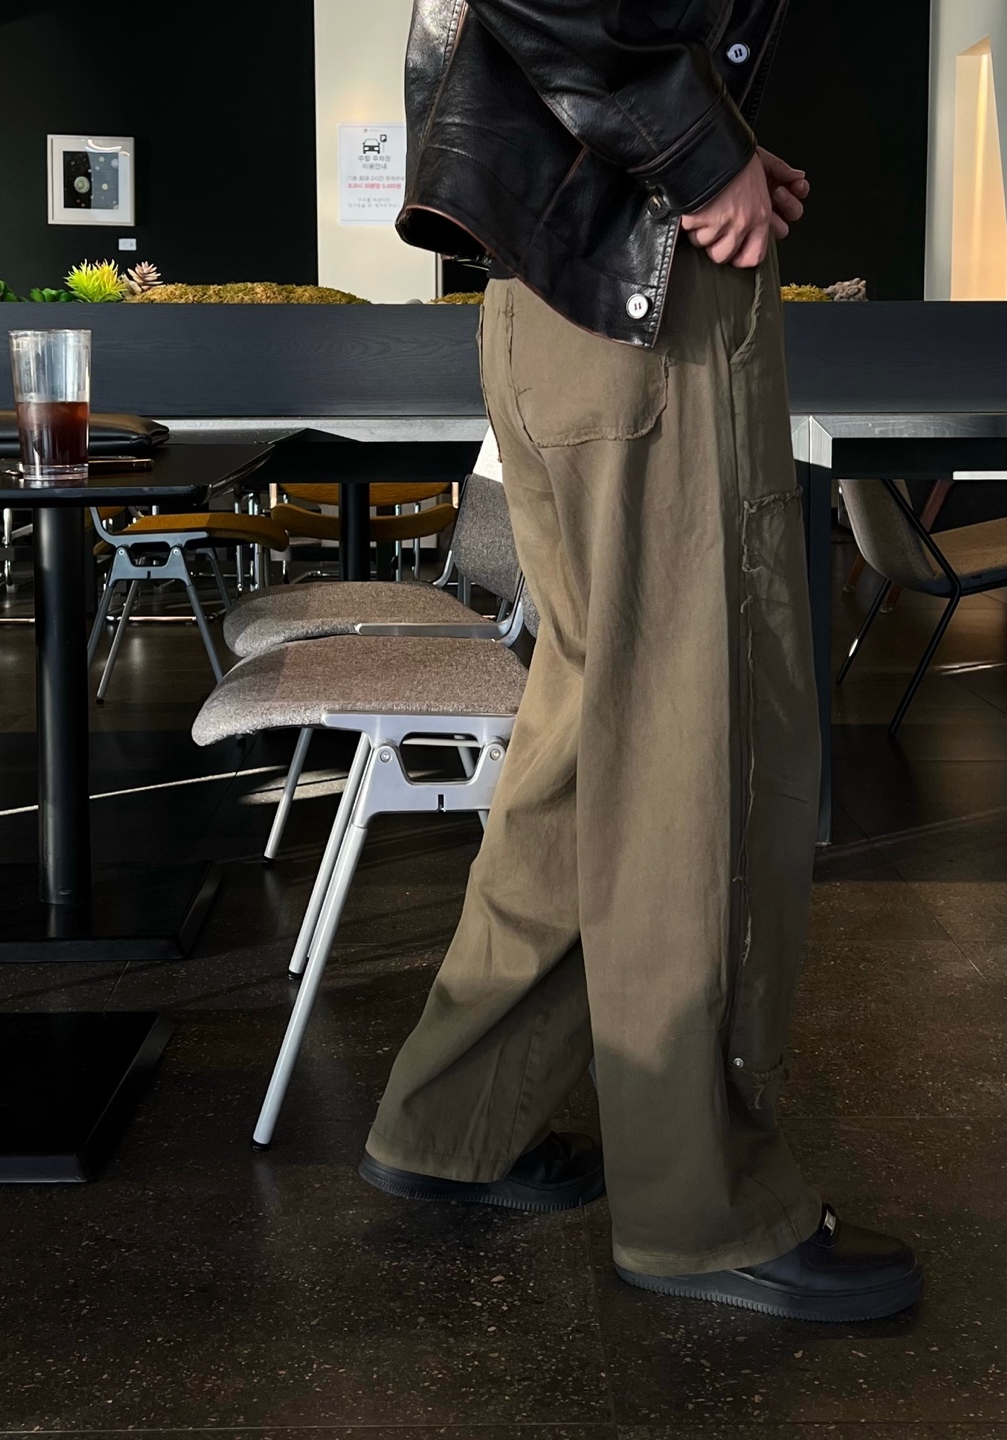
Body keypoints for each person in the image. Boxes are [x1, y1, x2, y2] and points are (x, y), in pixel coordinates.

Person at [356, 0, 923, 1323]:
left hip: (562, 287)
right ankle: (701, 1209)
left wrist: (714, 140)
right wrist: (698, 151)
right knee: (694, 736)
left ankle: (453, 1119)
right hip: (649, 304)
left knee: (588, 728)